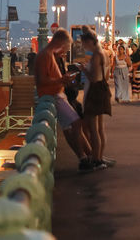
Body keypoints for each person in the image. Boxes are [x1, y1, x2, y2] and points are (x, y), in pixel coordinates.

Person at [35, 28, 93, 172]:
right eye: (66, 46)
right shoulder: (45, 55)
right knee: (76, 122)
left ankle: (83, 158)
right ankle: (84, 158)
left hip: (55, 94)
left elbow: (46, 78)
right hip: (54, 96)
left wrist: (63, 79)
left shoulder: (48, 54)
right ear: (60, 42)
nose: (65, 49)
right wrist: (62, 79)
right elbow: (41, 80)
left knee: (68, 128)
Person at [78, 30, 113, 168]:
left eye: (83, 43)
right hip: (101, 90)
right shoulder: (103, 53)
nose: (83, 45)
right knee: (99, 128)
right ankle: (99, 157)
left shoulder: (97, 55)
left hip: (95, 91)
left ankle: (97, 159)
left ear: (89, 42)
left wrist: (83, 69)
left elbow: (94, 78)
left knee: (93, 129)